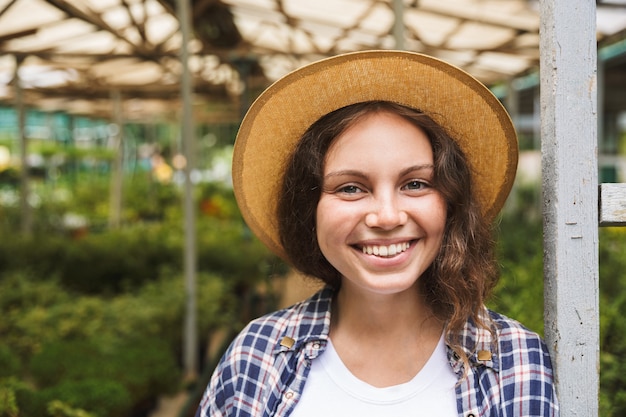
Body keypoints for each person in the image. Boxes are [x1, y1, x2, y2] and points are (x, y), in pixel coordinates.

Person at [195, 50, 559, 417]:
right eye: (351, 188)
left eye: (415, 184)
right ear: (310, 210)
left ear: (451, 202)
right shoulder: (256, 355)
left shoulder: (515, 360)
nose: (386, 217)